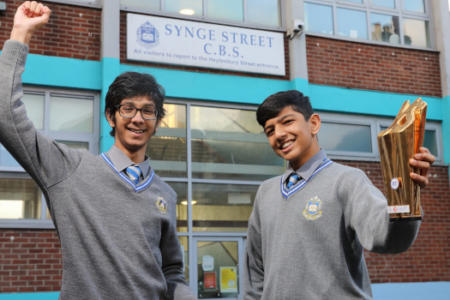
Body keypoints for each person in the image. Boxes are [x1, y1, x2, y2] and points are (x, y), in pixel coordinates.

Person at [0, 2, 195, 299]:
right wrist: (19, 34)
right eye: (128, 108)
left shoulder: (164, 194)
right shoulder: (69, 170)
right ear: (111, 117)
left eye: (148, 111)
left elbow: (171, 271)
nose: (138, 118)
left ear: (157, 122)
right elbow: (6, 116)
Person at [243, 90, 435, 299]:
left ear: (314, 123)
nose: (278, 134)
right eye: (270, 130)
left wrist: (405, 195)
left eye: (287, 122)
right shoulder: (266, 193)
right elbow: (255, 270)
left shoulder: (347, 180)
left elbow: (388, 239)